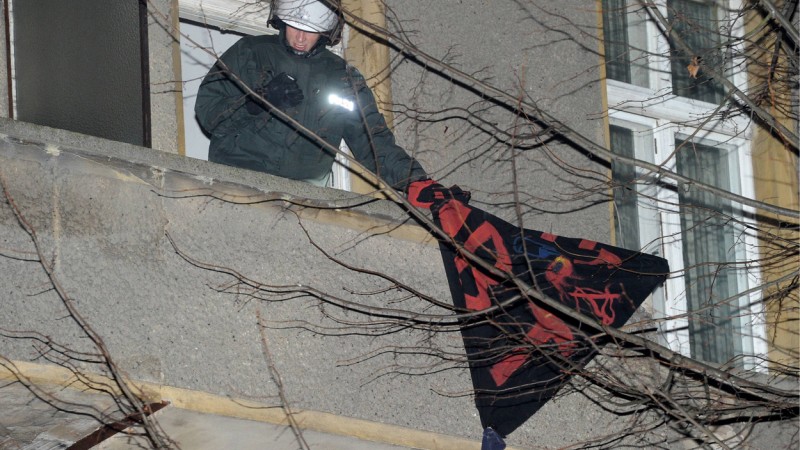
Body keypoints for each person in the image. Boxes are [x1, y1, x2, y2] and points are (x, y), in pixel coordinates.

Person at [194, 0, 428, 191]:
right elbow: (208, 114)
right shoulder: (251, 53)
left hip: (305, 197)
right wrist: (256, 102)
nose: (300, 38)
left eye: (311, 31)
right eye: (295, 26)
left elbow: (373, 142)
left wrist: (416, 182)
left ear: (326, 32)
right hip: (238, 183)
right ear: (282, 21)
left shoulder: (342, 78)